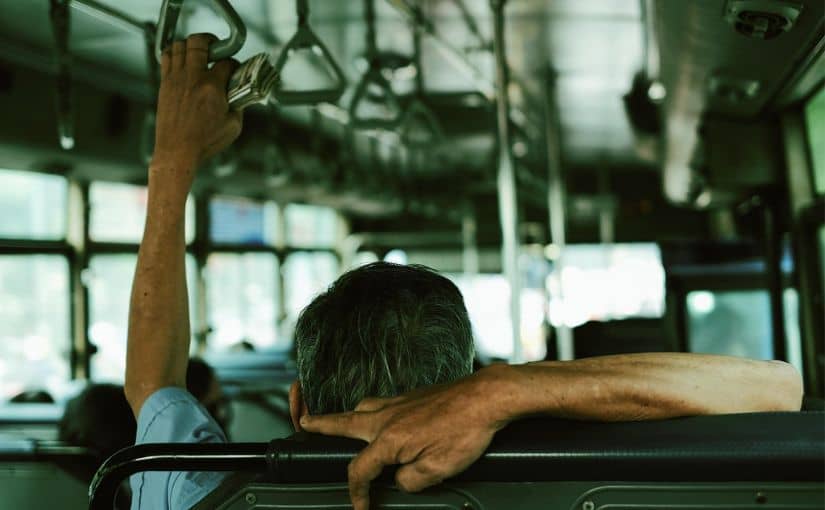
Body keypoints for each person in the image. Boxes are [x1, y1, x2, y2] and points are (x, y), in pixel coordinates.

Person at [124, 34, 804, 510]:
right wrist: (506, 393)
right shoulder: (577, 483)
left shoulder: (204, 494)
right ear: (471, 384)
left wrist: (171, 160)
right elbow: (773, 389)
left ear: (297, 404)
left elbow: (153, 381)